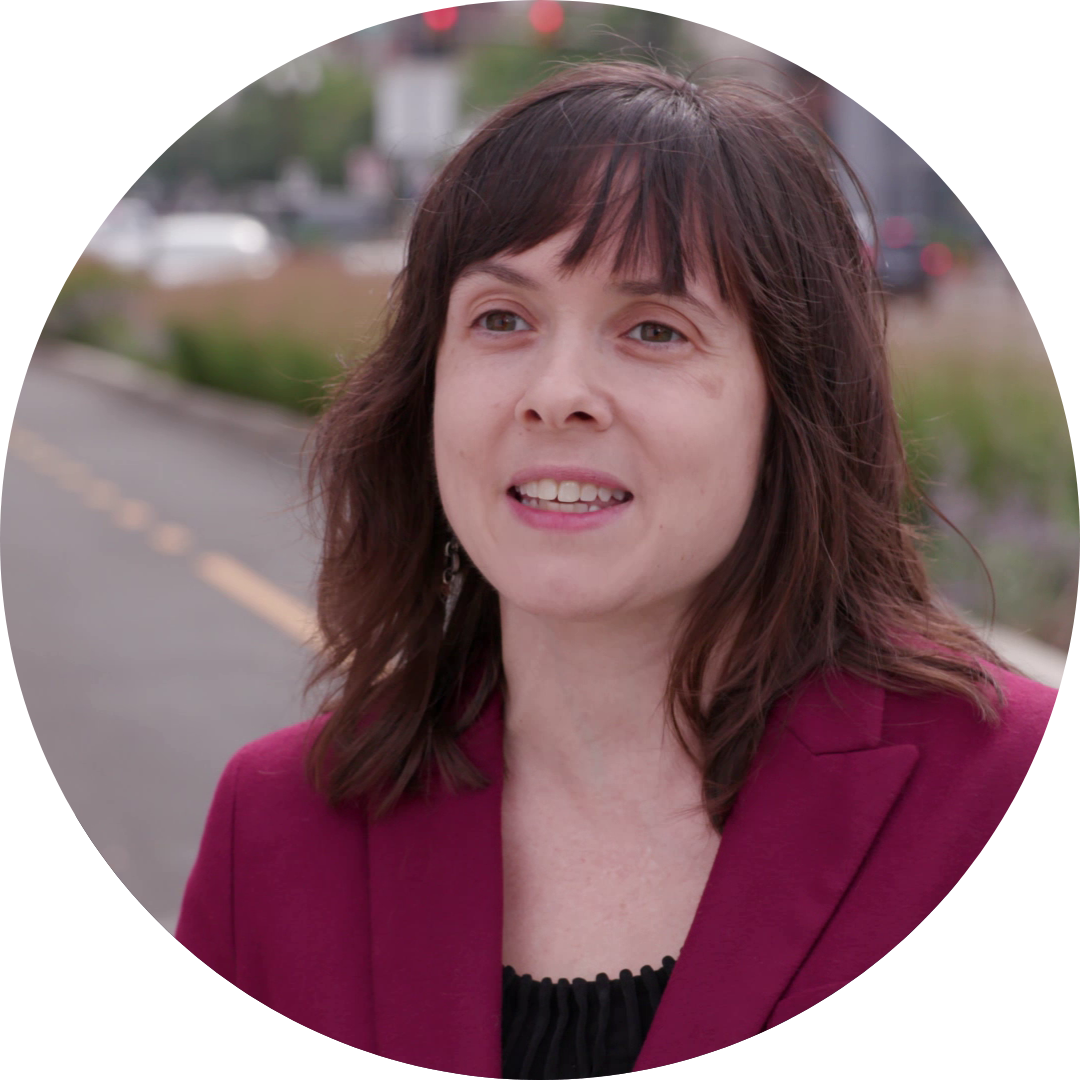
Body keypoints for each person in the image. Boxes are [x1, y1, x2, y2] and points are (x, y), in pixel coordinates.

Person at [175, 61, 1055, 1076]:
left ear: (791, 411)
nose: (557, 394)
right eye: (501, 319)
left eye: (653, 329)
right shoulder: (281, 825)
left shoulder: (993, 790)